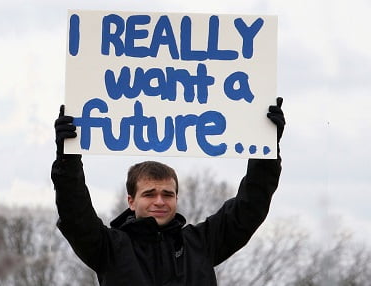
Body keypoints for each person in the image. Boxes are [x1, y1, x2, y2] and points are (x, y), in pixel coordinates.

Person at [51, 98, 285, 286]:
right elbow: (75, 213)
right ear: (131, 201)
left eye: (168, 194)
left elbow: (250, 207)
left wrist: (266, 149)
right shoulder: (109, 248)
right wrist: (67, 158)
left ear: (177, 198)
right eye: (149, 194)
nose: (160, 201)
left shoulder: (202, 243)